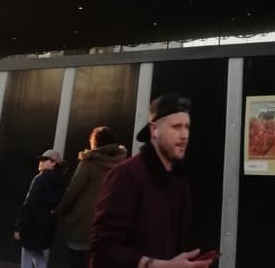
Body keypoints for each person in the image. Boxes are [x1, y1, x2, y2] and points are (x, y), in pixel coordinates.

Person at [89, 94, 214, 268]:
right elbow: (103, 251)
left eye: (187, 127)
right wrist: (159, 265)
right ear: (154, 130)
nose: (185, 134)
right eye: (176, 127)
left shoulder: (179, 180)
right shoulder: (125, 175)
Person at [55, 126, 127, 268]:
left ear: (95, 142)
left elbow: (74, 189)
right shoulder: (123, 164)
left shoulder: (89, 162)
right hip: (108, 227)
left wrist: (59, 210)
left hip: (82, 225)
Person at [14, 148, 66, 268]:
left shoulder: (40, 179)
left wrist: (18, 226)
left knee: (27, 253)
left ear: (53, 163)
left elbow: (29, 204)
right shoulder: (60, 181)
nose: (41, 162)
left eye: (45, 160)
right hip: (47, 224)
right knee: (37, 253)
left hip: (33, 223)